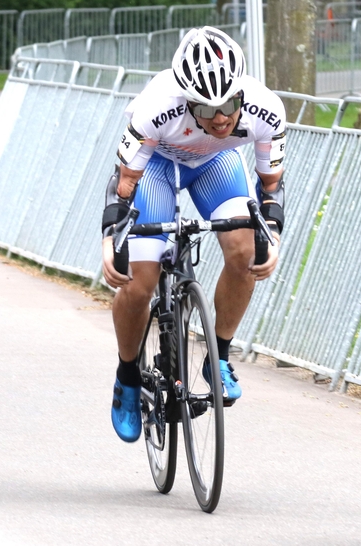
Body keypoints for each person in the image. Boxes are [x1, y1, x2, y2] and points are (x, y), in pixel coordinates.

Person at [101, 26, 286, 442]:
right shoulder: (156, 106)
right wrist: (110, 240)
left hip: (214, 166)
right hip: (156, 166)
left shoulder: (266, 109)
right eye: (205, 109)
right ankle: (128, 374)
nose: (220, 118)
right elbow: (124, 182)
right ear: (186, 100)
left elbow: (271, 188)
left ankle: (217, 356)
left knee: (246, 252)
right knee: (139, 280)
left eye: (229, 105)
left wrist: (271, 235)